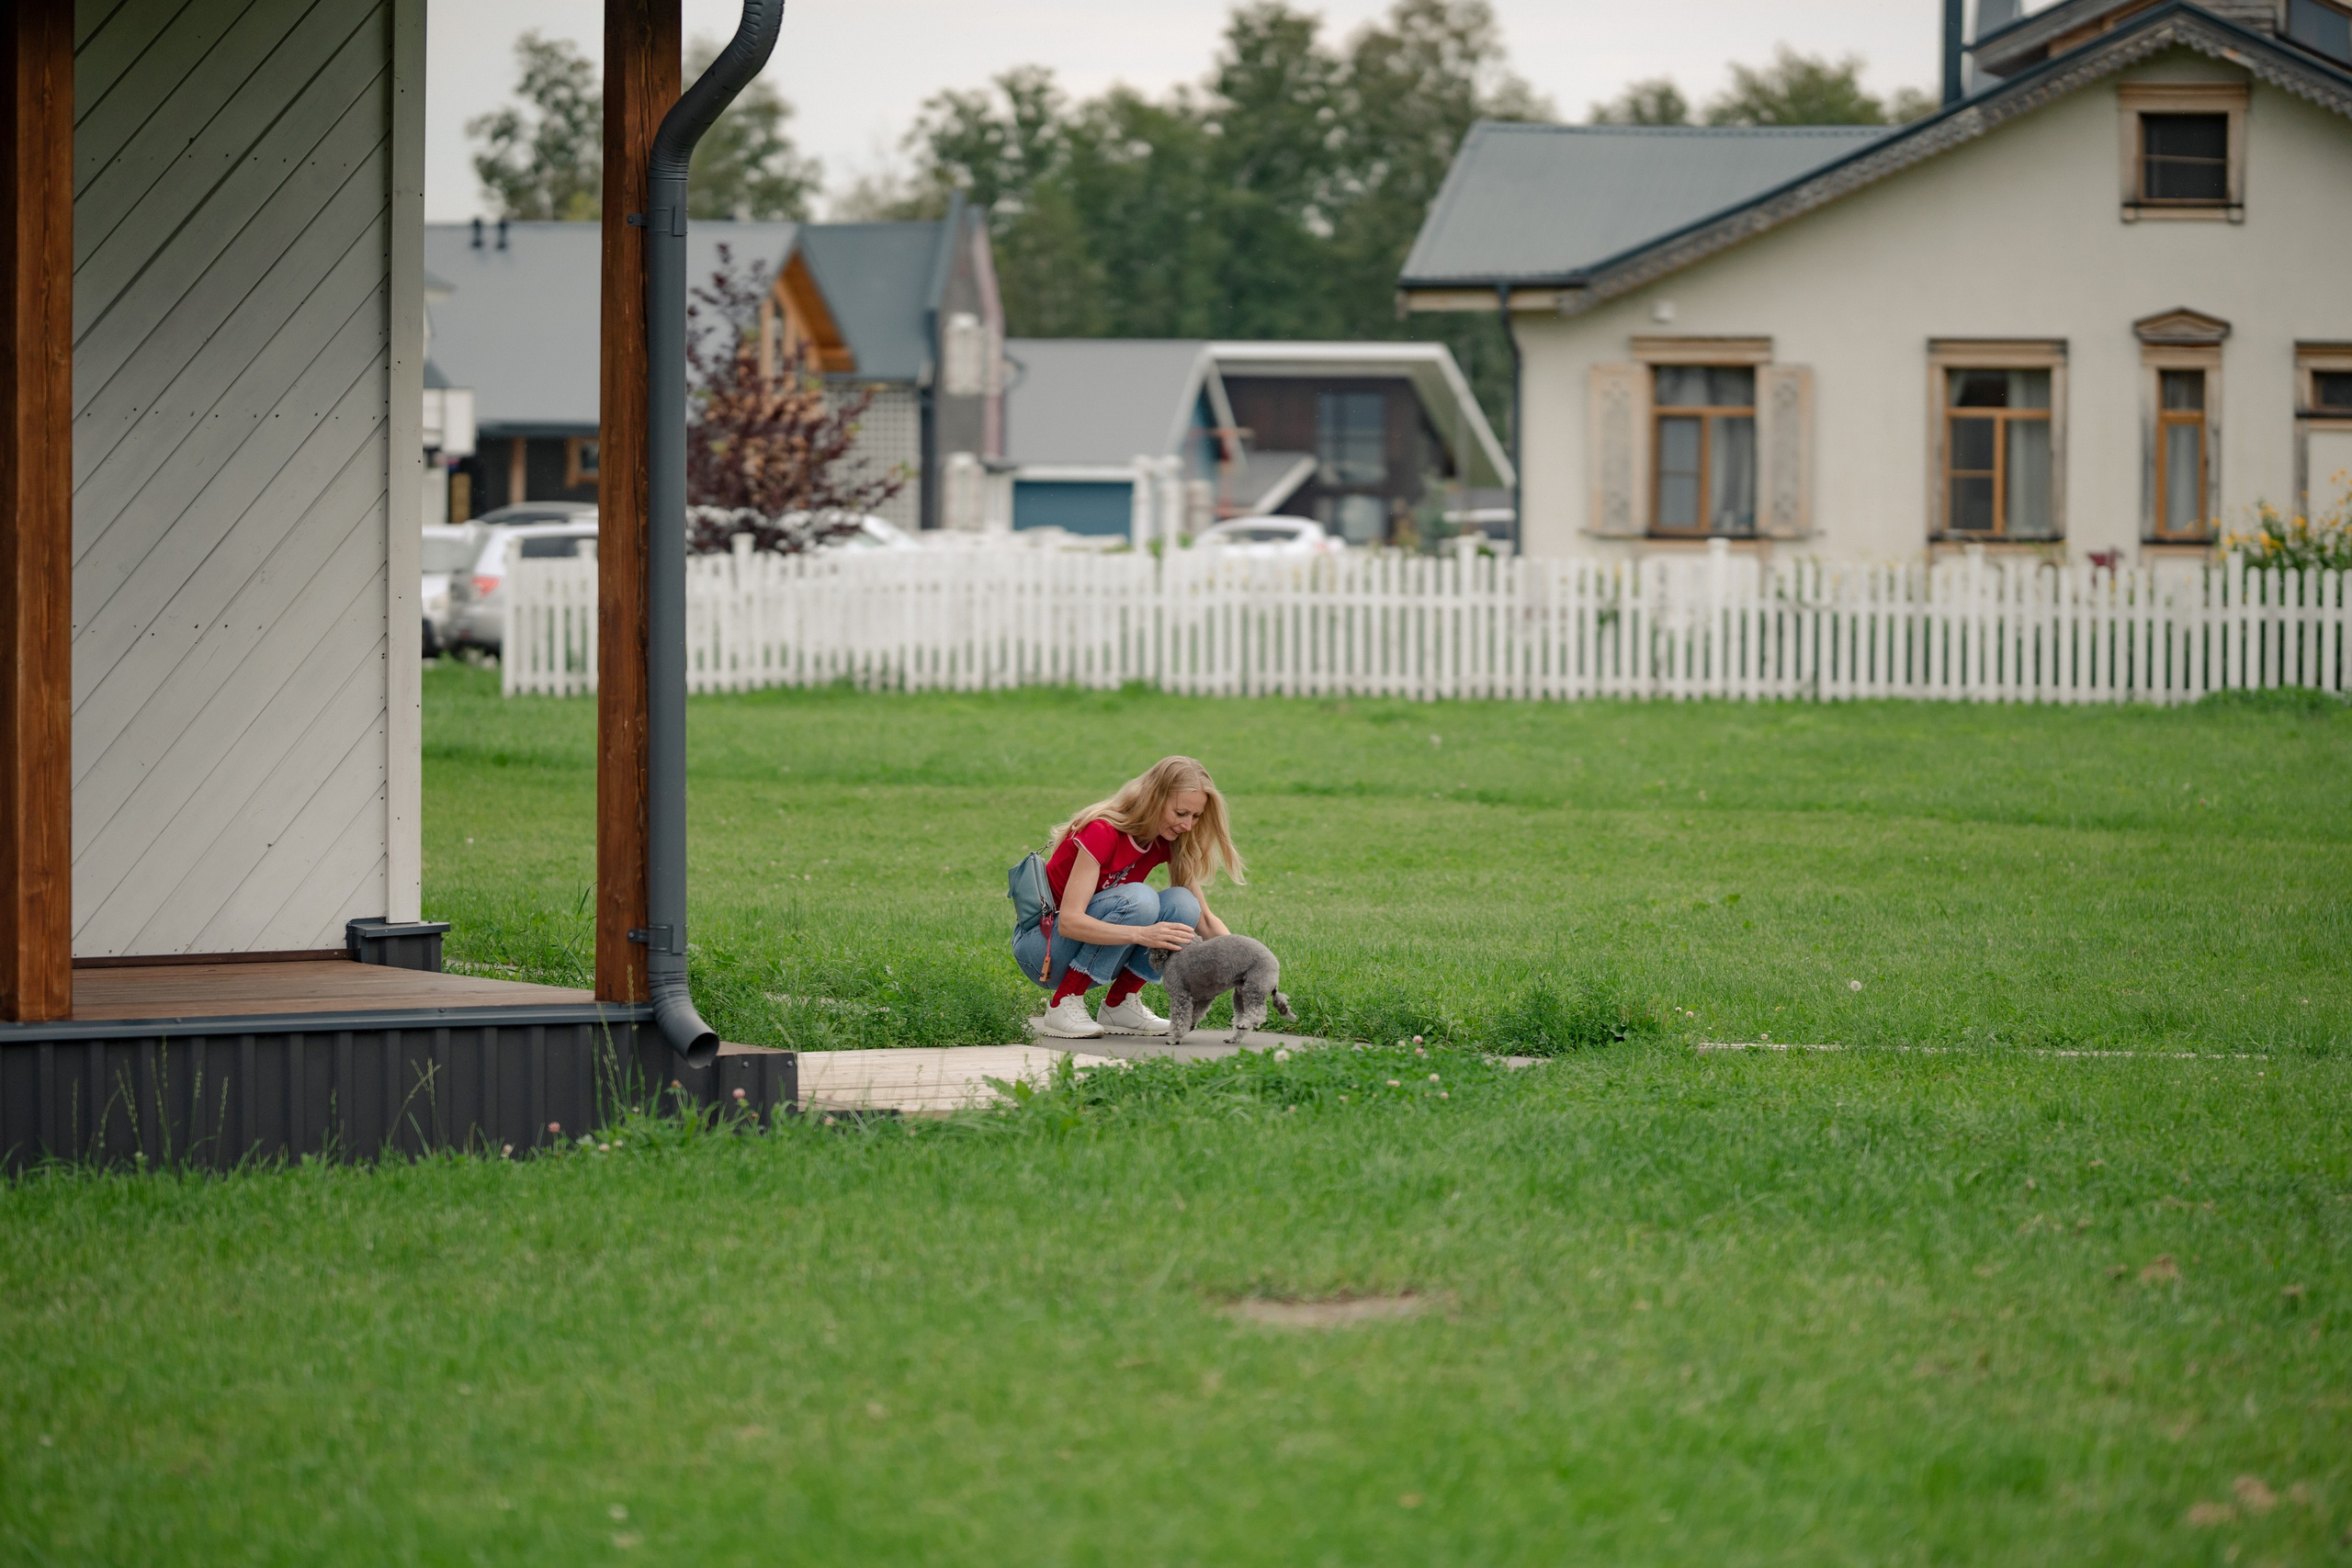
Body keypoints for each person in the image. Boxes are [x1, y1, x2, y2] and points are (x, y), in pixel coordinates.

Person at [1016, 756, 1245, 1039]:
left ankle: (1119, 1006)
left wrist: (1245, 968)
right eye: (1181, 813)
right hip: (1043, 949)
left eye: (1195, 817)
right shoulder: (1102, 831)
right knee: (1139, 898)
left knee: (1184, 903)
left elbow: (1206, 920)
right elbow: (1070, 923)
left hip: (1090, 947)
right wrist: (1143, 934)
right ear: (1154, 799)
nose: (1188, 825)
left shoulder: (1167, 839)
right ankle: (1063, 1002)